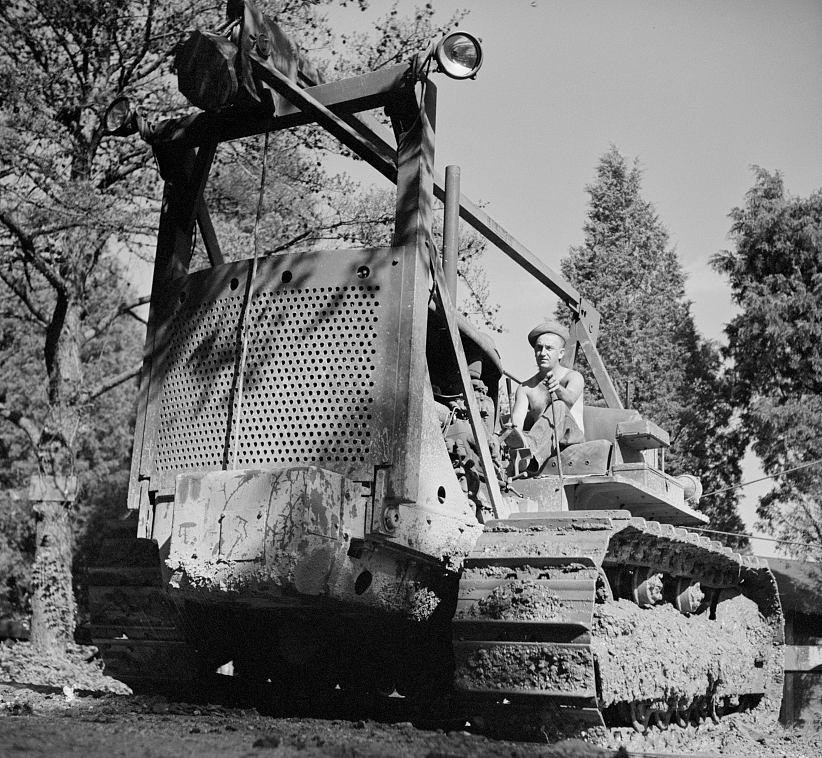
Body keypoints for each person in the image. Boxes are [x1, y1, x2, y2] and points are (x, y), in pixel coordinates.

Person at [503, 321, 584, 474]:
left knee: (559, 405)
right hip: (545, 442)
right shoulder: (525, 388)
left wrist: (558, 389)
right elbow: (518, 420)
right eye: (539, 348)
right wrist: (512, 430)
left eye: (549, 348)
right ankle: (518, 457)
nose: (543, 353)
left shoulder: (573, 377)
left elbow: (571, 399)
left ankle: (528, 454)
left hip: (571, 439)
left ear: (560, 353)